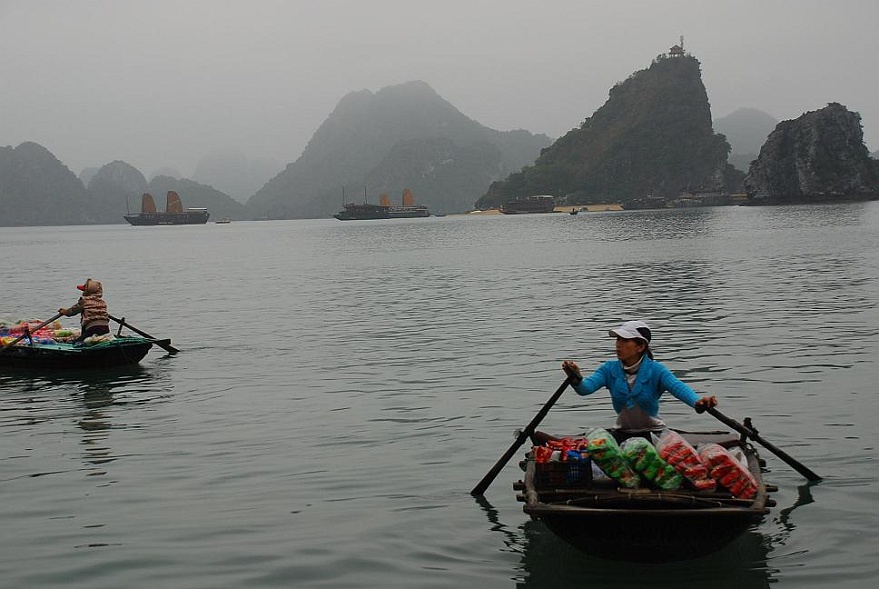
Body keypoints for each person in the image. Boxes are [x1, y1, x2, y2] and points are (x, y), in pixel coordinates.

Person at [561, 320, 717, 436]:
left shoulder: (657, 370)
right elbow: (585, 388)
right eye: (617, 340)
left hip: (654, 433)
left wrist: (698, 402)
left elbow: (678, 388)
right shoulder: (608, 369)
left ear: (640, 347)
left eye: (624, 340)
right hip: (622, 433)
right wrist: (575, 377)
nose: (618, 345)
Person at [58, 278, 110, 343]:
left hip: (93, 328)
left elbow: (72, 311)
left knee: (77, 343)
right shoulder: (102, 302)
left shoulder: (84, 301)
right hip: (105, 328)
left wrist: (64, 312)